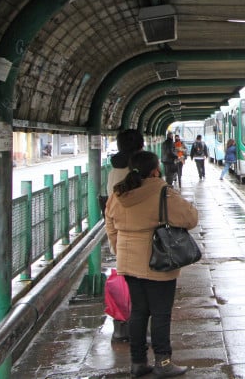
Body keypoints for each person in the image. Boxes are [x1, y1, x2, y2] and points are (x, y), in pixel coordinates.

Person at [105, 151, 198, 377]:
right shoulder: (162, 192)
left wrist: (118, 248)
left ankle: (138, 362)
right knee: (160, 313)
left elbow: (110, 223)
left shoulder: (118, 193)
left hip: (128, 261)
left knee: (138, 311)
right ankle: (163, 362)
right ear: (156, 170)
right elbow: (191, 218)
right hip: (157, 261)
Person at [103, 128, 145, 344]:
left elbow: (110, 208)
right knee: (141, 287)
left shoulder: (113, 170)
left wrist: (114, 241)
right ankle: (135, 331)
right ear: (140, 146)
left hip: (120, 233)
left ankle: (120, 326)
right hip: (139, 235)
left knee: (125, 281)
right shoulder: (139, 170)